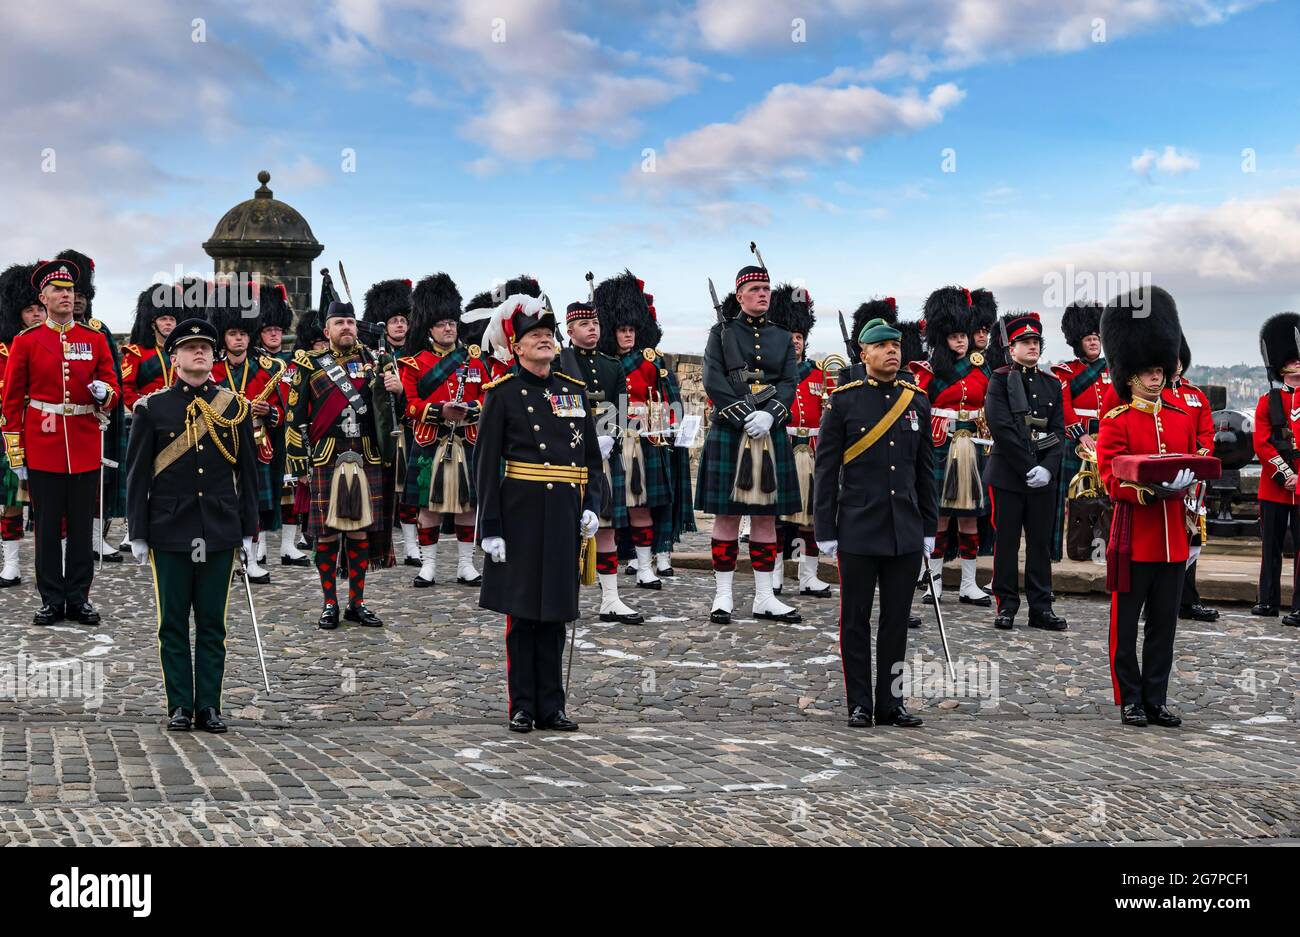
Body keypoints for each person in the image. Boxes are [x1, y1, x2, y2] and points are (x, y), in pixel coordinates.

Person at [474, 296, 603, 733]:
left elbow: (591, 461)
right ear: (516, 347)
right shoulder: (502, 395)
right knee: (523, 613)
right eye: (535, 335)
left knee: (556, 612)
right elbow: (487, 465)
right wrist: (490, 527)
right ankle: (522, 705)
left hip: (564, 513)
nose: (545, 340)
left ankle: (553, 705)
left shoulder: (573, 390)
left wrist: (591, 506)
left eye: (548, 335)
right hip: (521, 514)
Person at [125, 317, 259, 733]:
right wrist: (138, 532)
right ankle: (180, 705)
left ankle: (209, 706)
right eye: (189, 347)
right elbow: (137, 475)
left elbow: (250, 475)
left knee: (213, 625)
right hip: (169, 528)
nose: (199, 352)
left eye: (205, 346)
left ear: (214, 355)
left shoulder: (235, 407)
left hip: (219, 527)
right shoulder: (152, 408)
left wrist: (251, 530)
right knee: (172, 623)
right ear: (175, 356)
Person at [815, 316, 935, 728]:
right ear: (863, 354)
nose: (892, 352)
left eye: (896, 345)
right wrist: (825, 532)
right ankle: (860, 704)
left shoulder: (916, 400)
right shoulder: (844, 401)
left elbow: (925, 471)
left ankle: (891, 702)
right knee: (855, 620)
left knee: (897, 621)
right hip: (858, 529)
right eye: (882, 346)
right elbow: (826, 472)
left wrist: (930, 528)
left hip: (904, 529)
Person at [1096, 286, 1200, 727]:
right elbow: (1109, 476)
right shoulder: (1116, 419)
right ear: (1130, 376)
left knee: (1164, 627)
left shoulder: (1180, 417)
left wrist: (1187, 485)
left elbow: (1195, 461)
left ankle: (1156, 697)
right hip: (1134, 536)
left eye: (1160, 370)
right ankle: (1130, 698)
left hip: (1173, 537)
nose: (1156, 378)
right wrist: (1144, 491)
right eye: (1147, 372)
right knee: (1125, 628)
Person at [1, 259, 120, 625]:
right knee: (48, 529)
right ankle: (52, 599)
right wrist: (16, 452)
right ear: (44, 297)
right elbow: (10, 401)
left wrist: (105, 394)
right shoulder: (27, 341)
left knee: (82, 528)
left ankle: (78, 598)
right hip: (44, 443)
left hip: (83, 443)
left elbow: (113, 388)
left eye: (70, 290)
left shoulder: (94, 339)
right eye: (58, 290)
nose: (66, 296)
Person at [697, 261, 802, 624]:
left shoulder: (782, 336)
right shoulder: (721, 332)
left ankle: (764, 597)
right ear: (739, 295)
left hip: (768, 430)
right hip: (731, 429)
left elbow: (790, 381)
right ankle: (723, 595)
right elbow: (712, 378)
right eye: (755, 289)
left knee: (766, 518)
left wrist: (771, 413)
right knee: (727, 516)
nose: (762, 295)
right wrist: (744, 415)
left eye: (766, 289)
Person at [287, 299, 397, 630]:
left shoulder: (376, 361)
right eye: (339, 323)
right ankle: (330, 603)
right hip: (325, 456)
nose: (346, 327)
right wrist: (298, 465)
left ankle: (357, 603)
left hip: (366, 454)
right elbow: (295, 417)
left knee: (360, 529)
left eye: (350, 322)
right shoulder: (310, 365)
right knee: (327, 534)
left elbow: (391, 411)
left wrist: (397, 387)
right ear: (327, 330)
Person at [595, 271, 693, 589]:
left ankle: (645, 565)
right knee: (607, 509)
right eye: (622, 329)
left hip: (645, 441)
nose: (628, 335)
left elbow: (669, 401)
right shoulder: (600, 363)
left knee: (642, 507)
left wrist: (672, 428)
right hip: (611, 441)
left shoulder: (650, 362)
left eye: (632, 329)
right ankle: (604, 567)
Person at [397, 272, 490, 588]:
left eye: (452, 322)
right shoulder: (414, 364)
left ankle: (466, 564)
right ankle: (429, 565)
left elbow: (486, 400)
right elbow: (409, 406)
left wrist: (471, 410)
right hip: (431, 440)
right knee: (428, 506)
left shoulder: (475, 363)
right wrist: (439, 411)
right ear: (429, 328)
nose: (449, 328)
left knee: (468, 505)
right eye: (441, 324)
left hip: (467, 437)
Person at [983, 311, 1067, 631]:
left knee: (1039, 544)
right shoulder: (1000, 379)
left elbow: (1057, 431)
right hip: (1008, 474)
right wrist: (1029, 467)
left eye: (1035, 341)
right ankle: (1006, 605)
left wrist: (1047, 469)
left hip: (1041, 478)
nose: (1032, 346)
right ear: (1011, 348)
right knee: (1006, 543)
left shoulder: (1051, 384)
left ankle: (1041, 607)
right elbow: (1001, 428)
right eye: (1024, 342)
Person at [561, 297, 641, 623]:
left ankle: (610, 599)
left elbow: (622, 410)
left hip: (606, 458)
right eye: (584, 324)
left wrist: (613, 436)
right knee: (565, 529)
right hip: (569, 458)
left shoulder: (612, 366)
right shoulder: (558, 363)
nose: (592, 329)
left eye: (594, 323)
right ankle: (563, 598)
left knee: (605, 527)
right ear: (569, 329)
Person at [910, 287, 991, 607]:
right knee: (939, 517)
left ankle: (970, 584)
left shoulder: (980, 368)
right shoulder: (927, 371)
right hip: (940, 443)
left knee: (970, 517)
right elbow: (918, 407)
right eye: (954, 336)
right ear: (942, 337)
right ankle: (935, 582)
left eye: (964, 336)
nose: (961, 341)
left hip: (971, 444)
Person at [55, 249, 126, 563]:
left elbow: (113, 376)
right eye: (74, 293)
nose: (79, 300)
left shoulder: (98, 330)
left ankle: (97, 538)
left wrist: (106, 397)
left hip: (96, 417)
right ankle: (62, 543)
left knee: (99, 482)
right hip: (57, 421)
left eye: (83, 294)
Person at [209, 297, 286, 584]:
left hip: (257, 444)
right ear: (224, 337)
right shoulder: (212, 370)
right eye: (233, 333)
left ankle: (251, 561)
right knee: (220, 504)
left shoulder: (266, 369)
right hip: (220, 442)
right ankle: (223, 563)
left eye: (243, 333)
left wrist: (270, 411)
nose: (239, 339)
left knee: (251, 504)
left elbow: (283, 411)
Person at [767, 283, 832, 598]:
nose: (795, 342)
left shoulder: (818, 374)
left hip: (814, 449)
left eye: (800, 337)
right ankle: (775, 575)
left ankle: (810, 576)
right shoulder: (772, 372)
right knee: (778, 518)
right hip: (784, 445)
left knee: (812, 518)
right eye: (790, 336)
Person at [253, 281, 310, 567]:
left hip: (289, 434)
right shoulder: (253, 363)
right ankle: (260, 546)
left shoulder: (292, 361)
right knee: (263, 493)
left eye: (277, 329)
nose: (274, 334)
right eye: (268, 330)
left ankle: (288, 546)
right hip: (262, 434)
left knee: (289, 495)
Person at [1050, 301, 1110, 560]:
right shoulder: (1065, 372)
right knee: (1063, 497)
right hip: (1076, 439)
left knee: (1106, 496)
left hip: (1107, 438)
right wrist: (1081, 435)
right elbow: (1063, 406)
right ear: (1079, 342)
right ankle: (1054, 551)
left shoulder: (1113, 369)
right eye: (1088, 338)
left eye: (1097, 337)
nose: (1094, 342)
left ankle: (1100, 547)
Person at [1251, 312, 1300, 626]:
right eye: (1292, 360)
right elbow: (1262, 444)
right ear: (1281, 365)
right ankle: (1267, 600)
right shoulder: (1267, 401)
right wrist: (1285, 474)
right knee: (1271, 546)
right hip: (1275, 484)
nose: (1297, 364)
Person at [363, 278, 414, 568]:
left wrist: (401, 391)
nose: (398, 326)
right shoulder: (371, 355)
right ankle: (386, 544)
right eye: (393, 320)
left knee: (407, 491)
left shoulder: (414, 357)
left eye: (403, 320)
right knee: (383, 489)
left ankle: (411, 547)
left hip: (408, 427)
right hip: (380, 430)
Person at [1167, 334, 1218, 622]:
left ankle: (1188, 598)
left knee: (1191, 539)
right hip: (1164, 478)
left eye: (1178, 359)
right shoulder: (1155, 394)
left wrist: (1195, 461)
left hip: (1193, 478)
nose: (1176, 364)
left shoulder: (1196, 395)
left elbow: (1207, 434)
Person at [0, 263, 43, 587]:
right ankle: (11, 565)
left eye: (41, 308)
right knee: (11, 503)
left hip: (46, 431)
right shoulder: (4, 349)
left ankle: (54, 564)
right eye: (30, 310)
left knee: (52, 504)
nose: (38, 315)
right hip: (10, 433)